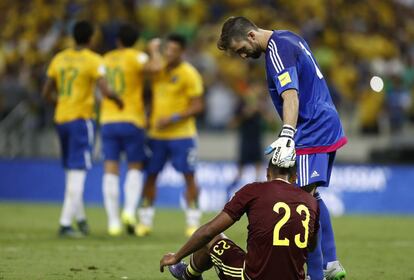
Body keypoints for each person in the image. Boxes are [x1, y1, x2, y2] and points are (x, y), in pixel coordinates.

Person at [216, 16, 347, 280]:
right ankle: (329, 264)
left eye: (241, 49)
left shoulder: (277, 49)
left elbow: (291, 94)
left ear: (251, 35)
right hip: (318, 123)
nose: (242, 56)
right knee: (310, 197)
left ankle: (316, 273)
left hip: (312, 128)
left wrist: (288, 133)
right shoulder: (288, 36)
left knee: (301, 199)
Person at [160, 160, 320, 280]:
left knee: (211, 237)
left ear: (267, 173)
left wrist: (176, 256)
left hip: (253, 276)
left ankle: (188, 275)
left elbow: (208, 232)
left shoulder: (253, 190)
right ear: (294, 178)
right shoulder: (311, 201)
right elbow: (311, 247)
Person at [42, 20, 122, 237]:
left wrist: (62, 102)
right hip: (80, 120)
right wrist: (118, 99)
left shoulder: (59, 58)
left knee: (70, 170)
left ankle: (80, 218)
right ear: (90, 38)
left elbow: (46, 92)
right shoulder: (93, 60)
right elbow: (105, 90)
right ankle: (65, 224)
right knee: (78, 172)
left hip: (61, 119)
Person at [136, 34, 204, 237]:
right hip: (156, 135)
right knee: (150, 176)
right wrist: (154, 51)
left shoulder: (189, 74)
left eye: (173, 51)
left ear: (182, 52)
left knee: (189, 176)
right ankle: (145, 221)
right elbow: (143, 70)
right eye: (167, 50)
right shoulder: (159, 68)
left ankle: (193, 221)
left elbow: (198, 105)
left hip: (182, 135)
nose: (169, 54)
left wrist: (172, 118)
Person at [100, 24, 162, 236]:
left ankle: (113, 222)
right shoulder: (137, 57)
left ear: (118, 40)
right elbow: (156, 68)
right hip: (132, 120)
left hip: (108, 120)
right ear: (136, 41)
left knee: (110, 169)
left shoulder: (106, 59)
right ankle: (128, 210)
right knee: (135, 167)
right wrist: (153, 50)